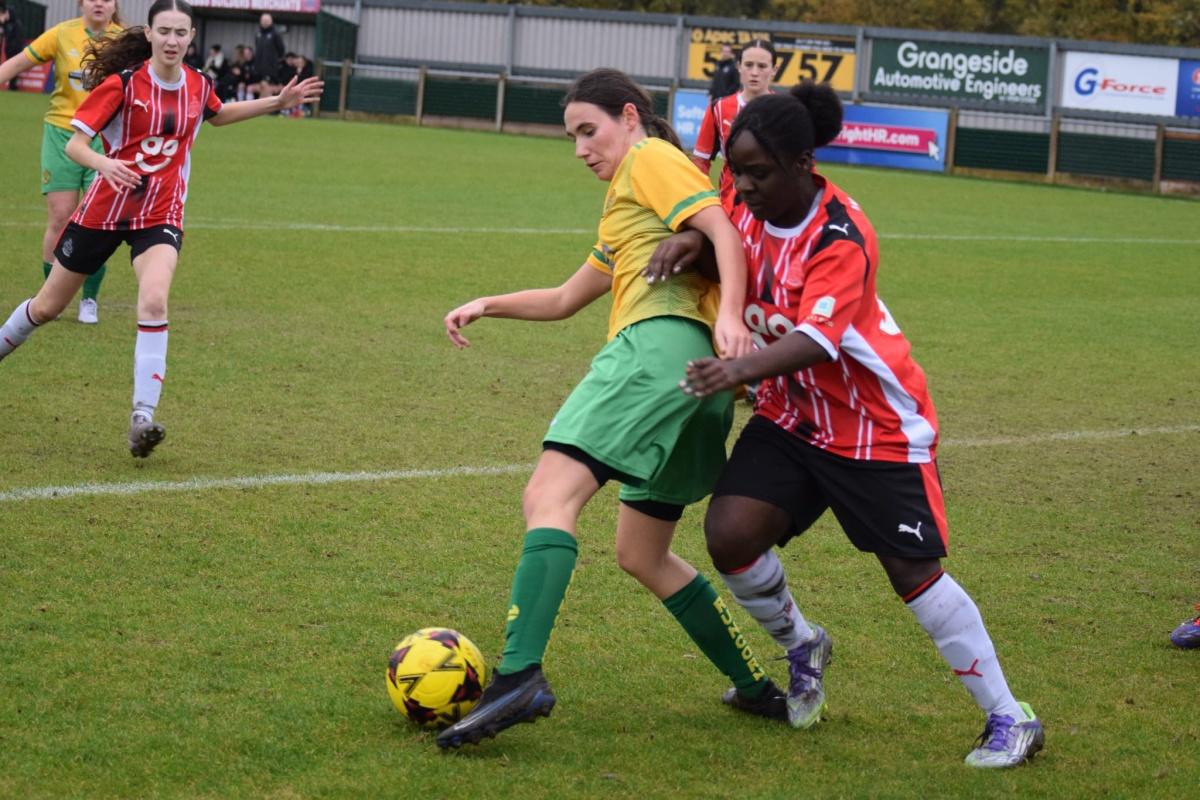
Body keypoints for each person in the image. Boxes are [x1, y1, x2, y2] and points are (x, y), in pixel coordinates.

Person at [653, 81, 1045, 768]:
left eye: (758, 172)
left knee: (913, 574)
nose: (742, 185)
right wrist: (691, 242)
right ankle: (803, 645)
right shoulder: (739, 206)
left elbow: (815, 339)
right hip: (793, 417)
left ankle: (1010, 717)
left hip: (873, 427)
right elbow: (718, 233)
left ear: (804, 163)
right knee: (731, 535)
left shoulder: (841, 233)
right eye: (736, 170)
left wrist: (737, 371)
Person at [435, 68, 772, 749]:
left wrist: (732, 319)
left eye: (589, 130)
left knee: (548, 495)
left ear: (629, 116)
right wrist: (487, 303)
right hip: (697, 387)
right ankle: (756, 687)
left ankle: (518, 673)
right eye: (571, 137)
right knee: (642, 552)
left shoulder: (650, 159)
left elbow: (722, 231)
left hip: (656, 353)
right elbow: (566, 297)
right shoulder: (629, 201)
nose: (581, 148)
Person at [0, 0, 323, 458]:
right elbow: (75, 145)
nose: (173, 40)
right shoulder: (122, 85)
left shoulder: (198, 84)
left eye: (181, 32)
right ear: (148, 34)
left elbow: (217, 113)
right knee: (48, 306)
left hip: (161, 214)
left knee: (153, 299)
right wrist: (105, 163)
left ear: (191, 37)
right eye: (165, 31)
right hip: (103, 211)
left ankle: (142, 418)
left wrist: (277, 101)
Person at [0, 0, 123, 324]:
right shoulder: (60, 34)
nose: (100, 3)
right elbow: (14, 65)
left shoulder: (126, 42)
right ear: (82, 3)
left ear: (115, 5)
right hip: (60, 135)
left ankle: (89, 301)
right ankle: (49, 297)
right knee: (60, 216)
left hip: (104, 138)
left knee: (97, 222)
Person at [692, 39, 776, 209]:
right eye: (748, 64)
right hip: (729, 208)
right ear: (738, 66)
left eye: (762, 66)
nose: (754, 72)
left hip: (773, 208)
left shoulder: (787, 110)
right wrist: (702, 204)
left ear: (774, 70)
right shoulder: (719, 108)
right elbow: (700, 162)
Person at [251, 12, 283, 99]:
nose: (265, 22)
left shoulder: (275, 34)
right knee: (261, 87)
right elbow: (257, 47)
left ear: (271, 21)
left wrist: (273, 62)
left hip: (270, 68)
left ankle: (270, 108)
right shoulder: (258, 34)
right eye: (263, 20)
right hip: (259, 67)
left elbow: (281, 50)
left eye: (267, 20)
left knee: (266, 87)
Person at [0, 1, 26, 87]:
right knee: (10, 67)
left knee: (14, 68)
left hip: (14, 49)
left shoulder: (16, 24)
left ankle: (13, 85)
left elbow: (18, 38)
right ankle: (11, 84)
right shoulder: (7, 24)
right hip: (9, 48)